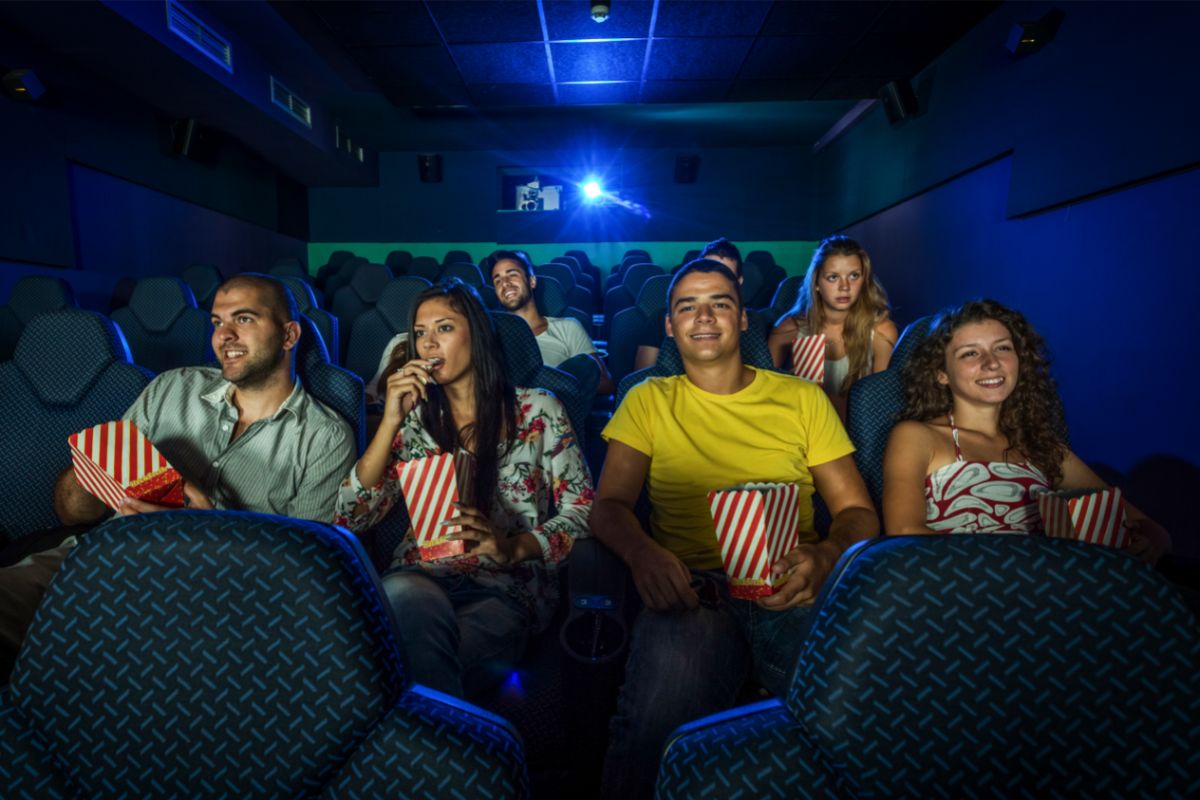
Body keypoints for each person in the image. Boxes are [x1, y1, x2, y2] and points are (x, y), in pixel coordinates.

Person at [591, 259, 879, 799]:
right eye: (687, 307)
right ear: (671, 327)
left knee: (854, 727)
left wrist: (825, 556)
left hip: (794, 586)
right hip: (695, 594)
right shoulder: (648, 400)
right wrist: (643, 555)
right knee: (653, 732)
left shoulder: (802, 398)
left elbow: (858, 514)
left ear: (742, 319)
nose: (705, 317)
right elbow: (608, 506)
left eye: (719, 303)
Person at [0, 274, 357, 682]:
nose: (225, 336)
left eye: (243, 319)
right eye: (216, 322)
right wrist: (97, 470)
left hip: (214, 596)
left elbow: (301, 576)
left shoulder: (324, 437)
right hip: (103, 560)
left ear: (289, 334)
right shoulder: (170, 389)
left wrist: (210, 526)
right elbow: (71, 513)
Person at [334, 279, 593, 699]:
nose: (428, 344)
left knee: (408, 668)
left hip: (505, 589)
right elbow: (352, 516)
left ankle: (411, 740)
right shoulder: (414, 417)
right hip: (419, 577)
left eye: (444, 328)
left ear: (478, 334)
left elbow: (583, 513)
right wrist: (389, 421)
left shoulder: (539, 410)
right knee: (406, 609)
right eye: (420, 333)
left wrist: (513, 547)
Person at [882, 299, 1170, 563]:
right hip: (958, 590)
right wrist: (1009, 567)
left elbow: (1149, 528)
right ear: (941, 373)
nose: (991, 363)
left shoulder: (1040, 444)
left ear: (1020, 360)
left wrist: (1150, 543)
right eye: (970, 353)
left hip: (1046, 594)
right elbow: (904, 531)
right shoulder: (917, 436)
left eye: (1003, 348)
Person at [768, 235, 898, 419]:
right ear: (817, 283)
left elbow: (882, 408)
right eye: (833, 277)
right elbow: (762, 394)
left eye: (854, 276)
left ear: (864, 280)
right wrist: (790, 385)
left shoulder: (882, 331)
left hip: (857, 432)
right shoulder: (789, 328)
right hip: (802, 427)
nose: (844, 287)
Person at [489, 249, 613, 395]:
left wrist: (555, 383)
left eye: (512, 275)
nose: (505, 283)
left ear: (532, 281)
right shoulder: (489, 336)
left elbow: (606, 384)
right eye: (498, 280)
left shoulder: (568, 328)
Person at [633, 236, 745, 371]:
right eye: (707, 271)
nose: (705, 317)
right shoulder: (659, 318)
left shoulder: (752, 322)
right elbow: (642, 376)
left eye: (726, 275)